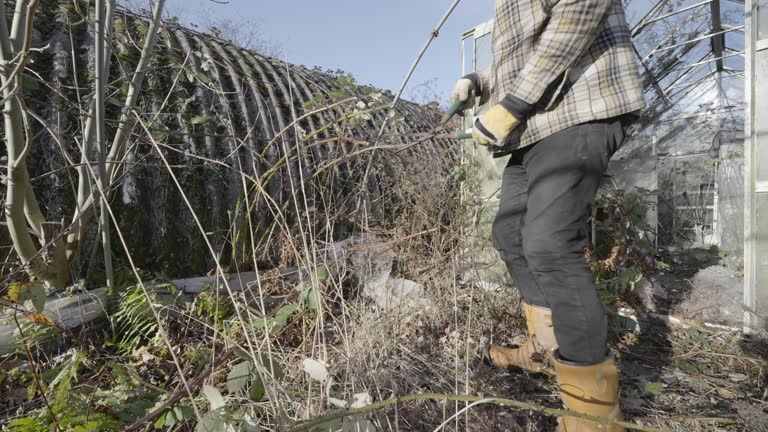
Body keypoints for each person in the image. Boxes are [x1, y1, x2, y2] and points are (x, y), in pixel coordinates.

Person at [450, 0, 645, 430]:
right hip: (534, 129)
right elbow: (525, 55)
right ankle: (543, 347)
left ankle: (593, 417)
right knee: (511, 235)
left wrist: (513, 104)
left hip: (578, 111)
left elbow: (578, 17)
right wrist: (478, 81)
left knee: (551, 245)